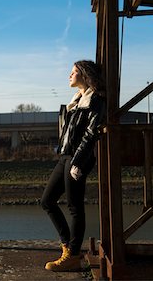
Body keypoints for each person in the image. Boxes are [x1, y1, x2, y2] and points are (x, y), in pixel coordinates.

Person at [41, 60, 105, 272]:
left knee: (75, 207)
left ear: (85, 75)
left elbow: (90, 133)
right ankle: (68, 246)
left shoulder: (95, 99)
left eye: (73, 72)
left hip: (78, 158)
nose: (69, 75)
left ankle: (73, 256)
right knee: (47, 200)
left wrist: (77, 162)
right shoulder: (77, 100)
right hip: (65, 157)